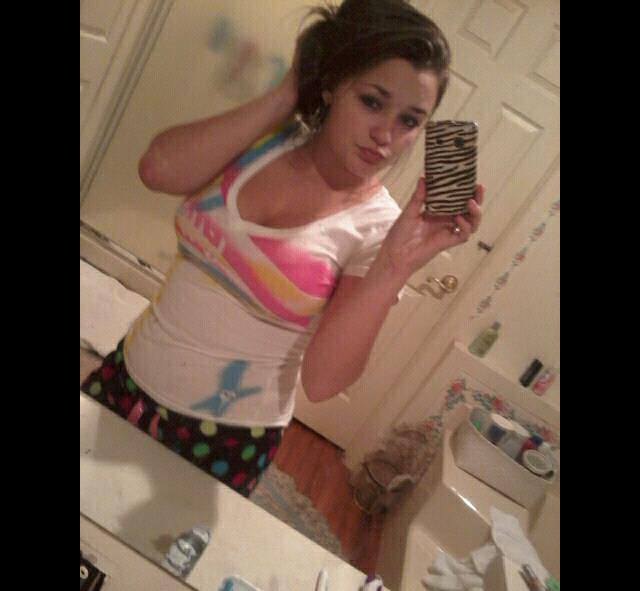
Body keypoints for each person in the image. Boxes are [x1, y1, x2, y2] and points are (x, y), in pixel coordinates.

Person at [81, 0, 485, 498]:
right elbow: (157, 170)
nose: (385, 135)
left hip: (222, 437)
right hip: (127, 374)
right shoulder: (266, 140)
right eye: (372, 102)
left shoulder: (381, 230)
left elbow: (322, 381)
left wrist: (395, 266)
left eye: (410, 120)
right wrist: (289, 93)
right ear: (333, 82)